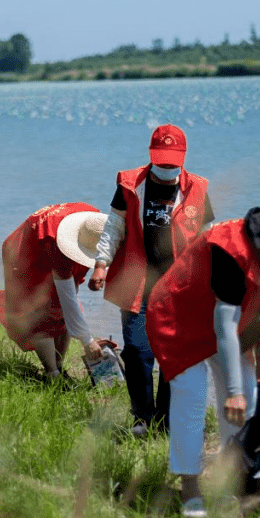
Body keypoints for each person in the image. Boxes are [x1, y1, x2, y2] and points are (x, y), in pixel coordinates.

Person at [145, 206, 260, 517]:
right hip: (180, 318)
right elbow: (224, 327)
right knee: (193, 399)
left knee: (248, 407)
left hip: (226, 320)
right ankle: (190, 490)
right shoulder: (229, 250)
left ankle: (234, 485)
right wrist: (234, 391)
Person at [90, 124, 214, 435]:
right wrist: (101, 263)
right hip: (136, 283)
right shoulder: (130, 184)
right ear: (151, 155)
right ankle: (142, 418)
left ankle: (165, 420)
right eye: (163, 161)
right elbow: (114, 227)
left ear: (182, 159)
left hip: (179, 289)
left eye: (174, 163)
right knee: (137, 351)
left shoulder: (197, 189)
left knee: (174, 355)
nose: (168, 168)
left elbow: (205, 239)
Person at [0, 203, 105, 379]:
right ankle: (52, 375)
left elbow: (71, 295)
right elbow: (68, 299)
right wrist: (87, 340)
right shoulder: (59, 245)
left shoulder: (95, 223)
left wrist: (98, 269)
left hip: (59, 240)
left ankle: (59, 366)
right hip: (23, 254)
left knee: (64, 311)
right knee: (41, 314)